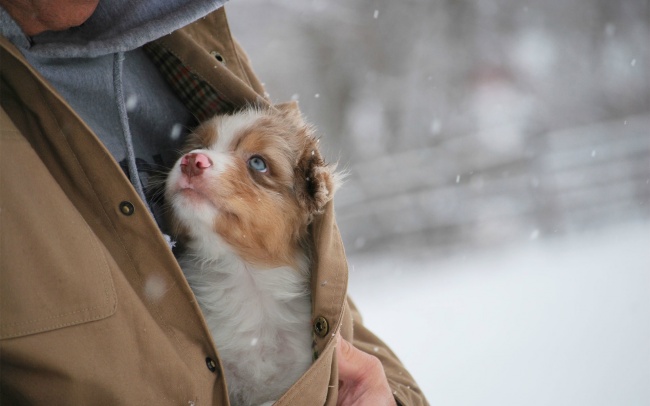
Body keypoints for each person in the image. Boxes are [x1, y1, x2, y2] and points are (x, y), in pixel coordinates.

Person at [0, 1, 428, 405]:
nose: (194, 160)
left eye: (256, 162)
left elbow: (342, 324)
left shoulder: (187, 31)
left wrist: (392, 395)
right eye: (199, 146)